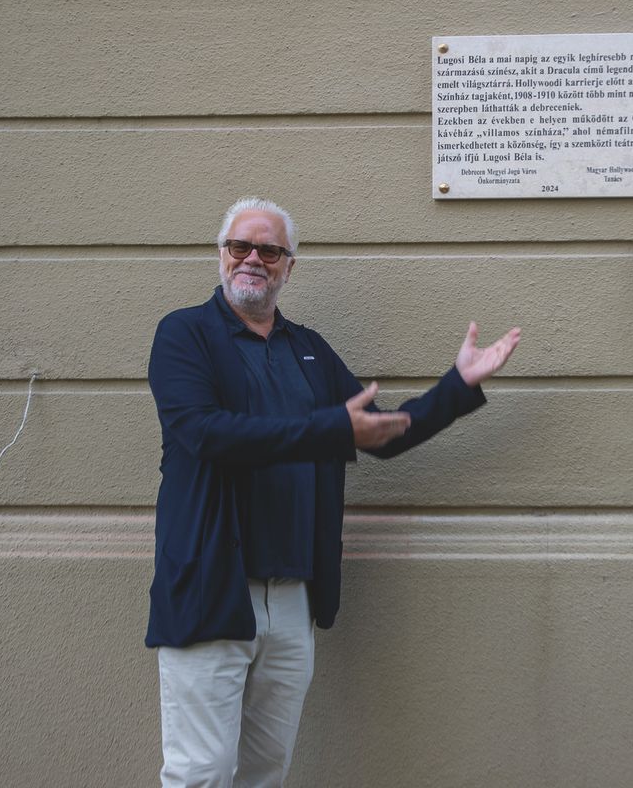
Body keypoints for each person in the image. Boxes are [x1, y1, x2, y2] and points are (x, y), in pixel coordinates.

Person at [146, 196, 520, 787]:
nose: (253, 259)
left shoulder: (309, 351)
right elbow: (205, 433)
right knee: (202, 773)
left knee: (266, 772)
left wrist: (457, 387)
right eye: (240, 246)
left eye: (270, 250)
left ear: (288, 266)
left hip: (292, 597)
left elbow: (382, 435)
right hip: (211, 586)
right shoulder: (184, 335)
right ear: (221, 256)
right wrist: (330, 428)